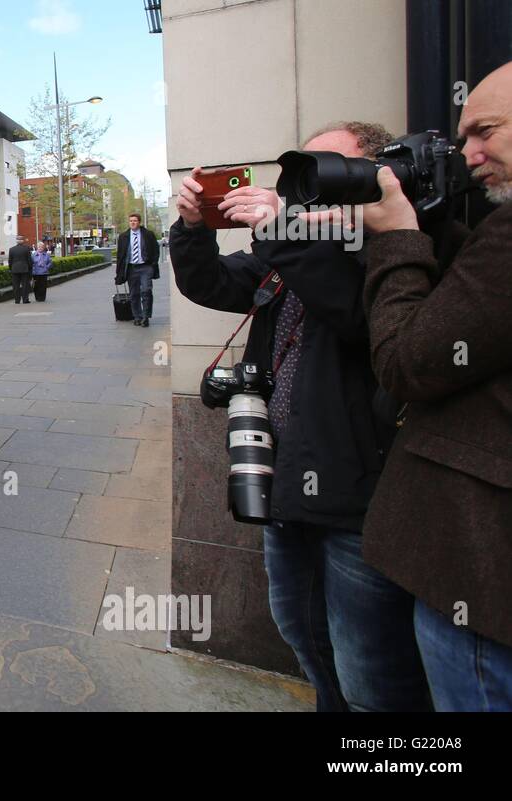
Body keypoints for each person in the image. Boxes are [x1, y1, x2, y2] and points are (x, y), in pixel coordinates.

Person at [171, 121, 430, 712]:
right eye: (305, 172)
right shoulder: (293, 249)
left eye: (327, 170)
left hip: (356, 504)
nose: (310, 186)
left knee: (371, 675)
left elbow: (352, 313)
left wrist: (285, 228)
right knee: (303, 636)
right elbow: (211, 282)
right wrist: (192, 228)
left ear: (374, 176)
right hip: (282, 483)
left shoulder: (391, 250)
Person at [359, 62, 512, 711]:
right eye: (460, 138)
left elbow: (409, 361)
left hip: (480, 580)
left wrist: (396, 236)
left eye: (486, 131)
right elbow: (473, 310)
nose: (469, 153)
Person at [115, 213, 161, 326]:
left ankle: (146, 317)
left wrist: (152, 263)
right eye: (131, 221)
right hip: (131, 268)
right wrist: (119, 273)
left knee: (146, 291)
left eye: (135, 221)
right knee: (134, 294)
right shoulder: (123, 236)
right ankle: (137, 316)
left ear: (139, 222)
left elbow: (156, 249)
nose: (132, 223)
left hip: (145, 267)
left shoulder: (148, 234)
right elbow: (120, 255)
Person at [7, 235, 33, 304]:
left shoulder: (11, 249)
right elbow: (29, 260)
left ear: (16, 241)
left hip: (14, 269)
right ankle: (25, 299)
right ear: (23, 241)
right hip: (24, 269)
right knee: (25, 285)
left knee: (16, 286)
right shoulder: (27, 249)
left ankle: (17, 300)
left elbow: (10, 260)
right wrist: (30, 268)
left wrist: (10, 268)